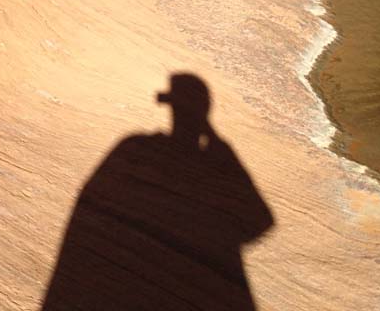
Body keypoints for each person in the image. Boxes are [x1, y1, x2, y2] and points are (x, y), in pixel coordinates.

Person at [41, 74, 274, 310]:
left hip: (131, 275)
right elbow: (260, 221)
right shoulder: (214, 161)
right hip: (183, 282)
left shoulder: (136, 148)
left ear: (170, 106)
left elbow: (94, 204)